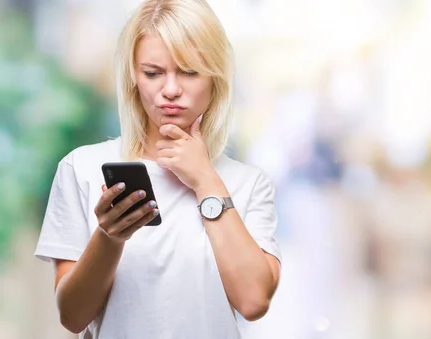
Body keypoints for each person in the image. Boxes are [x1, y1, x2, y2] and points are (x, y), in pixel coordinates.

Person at [33, 1, 282, 338]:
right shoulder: (82, 168)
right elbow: (72, 317)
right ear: (133, 76)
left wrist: (205, 180)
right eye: (153, 73)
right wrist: (109, 237)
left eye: (189, 71)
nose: (170, 90)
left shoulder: (248, 184)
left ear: (216, 78)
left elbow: (253, 301)